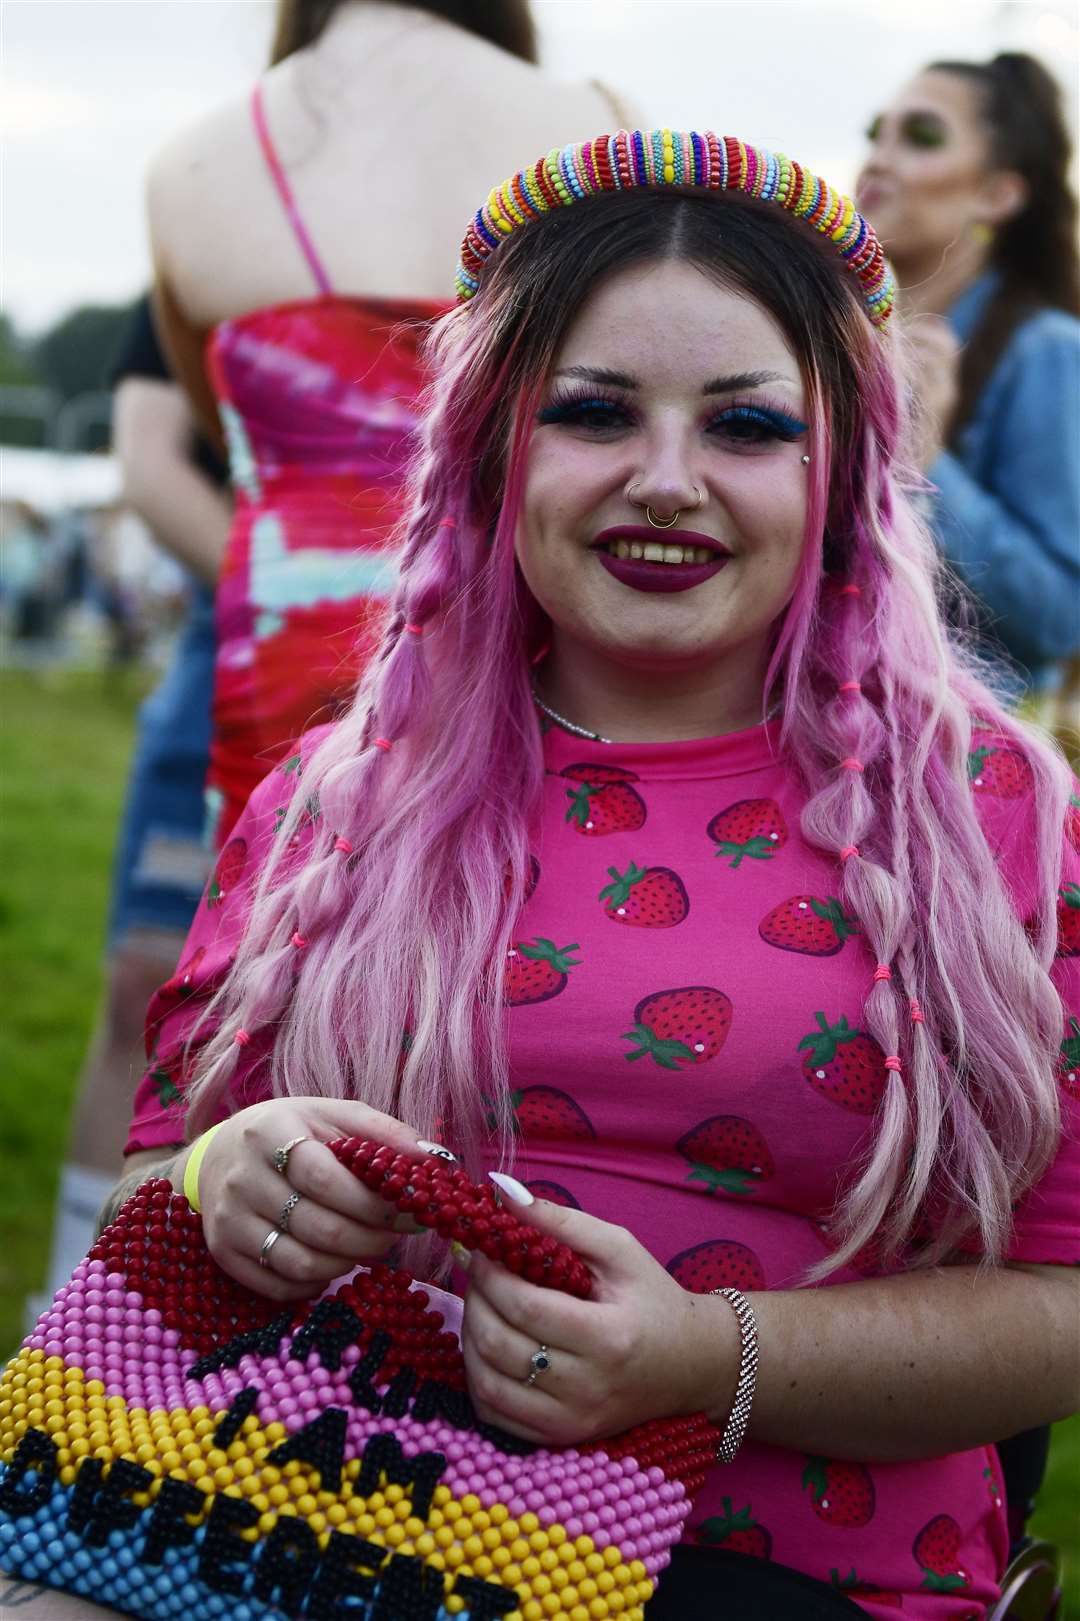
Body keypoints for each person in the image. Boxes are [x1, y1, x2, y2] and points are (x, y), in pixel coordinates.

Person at [97, 131, 1079, 1619]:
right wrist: (226, 1184)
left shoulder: (994, 817)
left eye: (747, 426)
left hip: (784, 1584)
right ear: (494, 446)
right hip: (319, 1534)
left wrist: (706, 1359)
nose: (667, 481)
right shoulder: (344, 794)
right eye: (593, 411)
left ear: (845, 466)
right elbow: (145, 1193)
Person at [148, 0, 634, 846]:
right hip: (532, 663)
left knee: (287, 955)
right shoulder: (602, 129)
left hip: (287, 685)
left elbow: (219, 433)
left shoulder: (189, 165)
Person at [29, 296, 231, 1317]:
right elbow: (149, 466)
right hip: (237, 636)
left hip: (449, 641)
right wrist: (303, 596)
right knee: (146, 986)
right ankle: (72, 1305)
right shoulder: (209, 221)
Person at [856, 52, 1080, 699]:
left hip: (959, 760)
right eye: (878, 132)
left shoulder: (1047, 350)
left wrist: (926, 463)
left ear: (998, 194)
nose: (879, 157)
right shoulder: (846, 337)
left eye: (921, 136)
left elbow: (1058, 619)